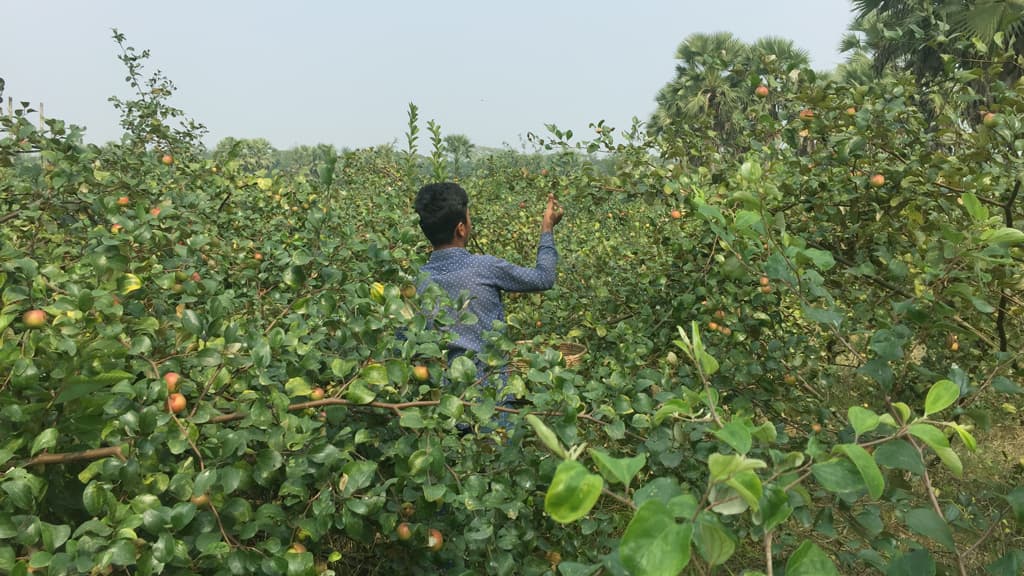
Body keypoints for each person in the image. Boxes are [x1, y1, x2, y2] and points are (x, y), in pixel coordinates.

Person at [413, 181, 564, 391]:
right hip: (491, 398)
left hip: (441, 404)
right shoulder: (484, 267)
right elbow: (544, 278)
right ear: (461, 228)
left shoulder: (417, 282)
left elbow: (409, 346)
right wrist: (547, 228)